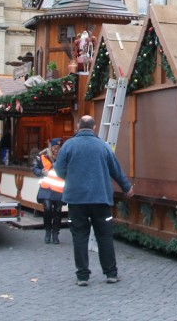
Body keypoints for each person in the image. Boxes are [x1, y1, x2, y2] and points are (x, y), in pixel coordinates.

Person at [53, 115, 134, 287]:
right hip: (101, 199)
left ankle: (82, 276)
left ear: (77, 126)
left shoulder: (68, 145)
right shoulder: (103, 146)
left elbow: (59, 170)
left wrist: (73, 178)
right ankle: (111, 273)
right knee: (104, 236)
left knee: (80, 237)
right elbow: (116, 170)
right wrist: (127, 187)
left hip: (76, 200)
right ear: (95, 127)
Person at [33, 138, 65, 244]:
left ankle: (55, 233)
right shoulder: (42, 156)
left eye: (59, 148)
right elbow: (35, 169)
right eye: (55, 148)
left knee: (57, 211)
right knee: (47, 209)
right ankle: (47, 231)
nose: (57, 150)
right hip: (46, 188)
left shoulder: (64, 157)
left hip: (59, 188)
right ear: (51, 147)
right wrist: (41, 172)